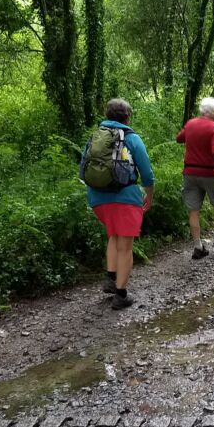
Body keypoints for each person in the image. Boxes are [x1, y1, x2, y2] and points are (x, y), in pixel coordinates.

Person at [81, 98, 155, 310]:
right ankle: (121, 295)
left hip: (98, 199)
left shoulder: (96, 136)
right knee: (125, 246)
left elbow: (84, 167)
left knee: (114, 235)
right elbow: (147, 174)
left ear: (107, 115)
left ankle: (111, 278)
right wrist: (149, 195)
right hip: (124, 200)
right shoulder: (131, 138)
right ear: (127, 117)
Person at [176, 96, 214, 260]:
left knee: (193, 210)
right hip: (209, 172)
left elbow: (179, 139)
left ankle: (198, 247)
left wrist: (191, 132)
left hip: (189, 173)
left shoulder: (191, 124)